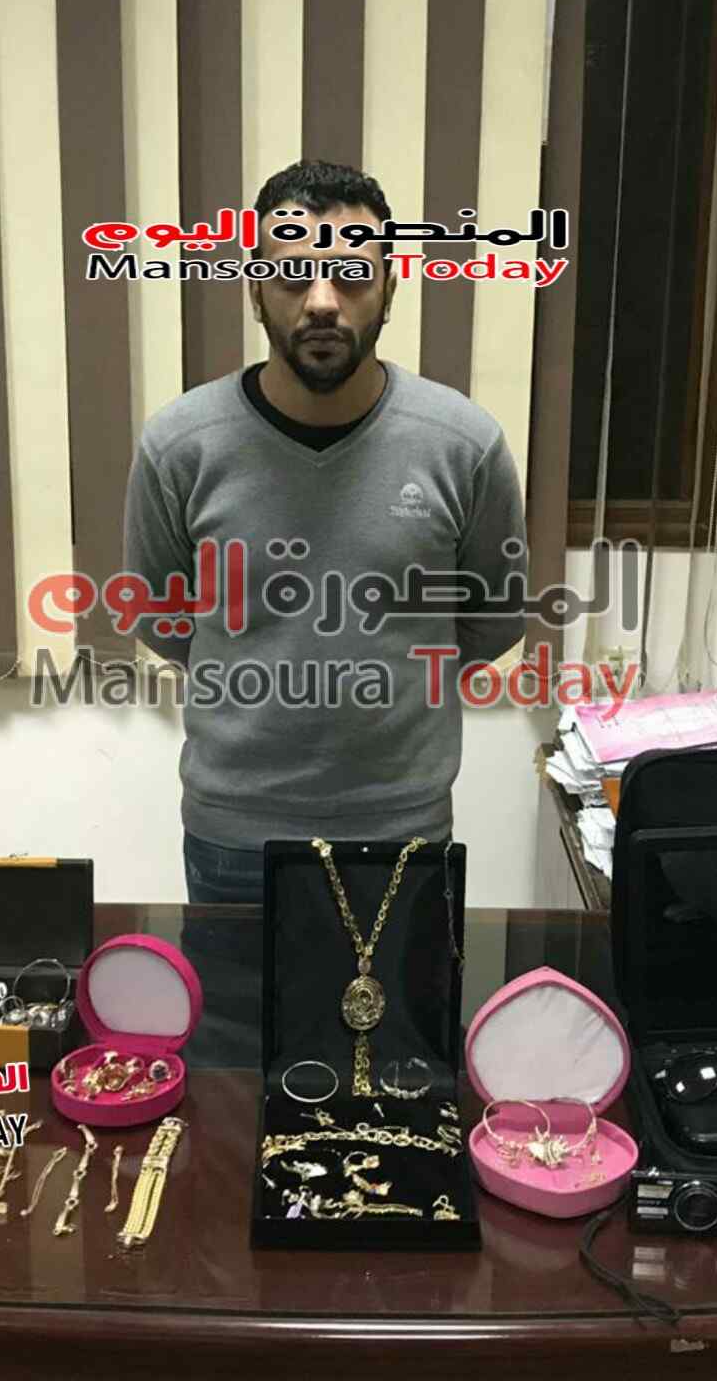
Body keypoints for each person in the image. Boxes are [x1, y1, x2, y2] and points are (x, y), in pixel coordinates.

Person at [124, 159, 527, 906]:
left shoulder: (463, 445)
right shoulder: (181, 446)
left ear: (390, 289)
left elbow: (494, 618)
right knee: (232, 993)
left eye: (351, 275)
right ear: (254, 290)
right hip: (234, 835)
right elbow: (162, 617)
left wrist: (393, 683)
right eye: (291, 275)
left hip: (403, 829)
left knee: (405, 992)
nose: (320, 301)